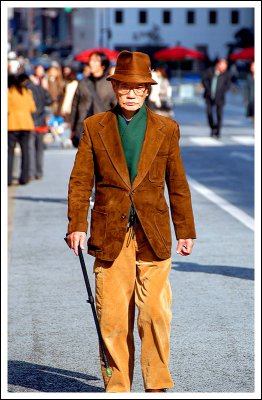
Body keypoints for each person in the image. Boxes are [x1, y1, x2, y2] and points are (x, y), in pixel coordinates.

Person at [65, 51, 196, 393]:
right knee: (111, 318)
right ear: (116, 87)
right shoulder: (95, 127)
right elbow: (80, 181)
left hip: (153, 234)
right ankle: (118, 386)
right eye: (125, 86)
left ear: (148, 90)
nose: (132, 93)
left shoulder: (166, 129)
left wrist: (186, 230)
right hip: (110, 235)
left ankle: (156, 385)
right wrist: (76, 224)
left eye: (139, 87)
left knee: (154, 313)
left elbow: (177, 183)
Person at [70, 52, 117, 147]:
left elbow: (116, 106)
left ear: (103, 65)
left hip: (103, 127)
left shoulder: (110, 84)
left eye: (96, 61)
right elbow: (75, 105)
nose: (91, 63)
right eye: (91, 60)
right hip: (84, 126)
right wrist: (73, 128)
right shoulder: (83, 82)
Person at [18, 73, 53, 181]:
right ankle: (39, 172)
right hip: (41, 121)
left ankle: (31, 172)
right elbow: (49, 101)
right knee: (40, 149)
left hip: (31, 121)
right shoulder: (40, 88)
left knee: (30, 148)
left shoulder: (25, 91)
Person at [8, 74, 36, 185]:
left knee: (10, 152)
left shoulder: (9, 92)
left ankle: (8, 178)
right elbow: (32, 108)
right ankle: (24, 177)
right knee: (25, 151)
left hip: (12, 123)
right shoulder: (27, 92)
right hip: (26, 123)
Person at [201, 58, 231, 138]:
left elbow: (228, 85)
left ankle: (218, 131)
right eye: (223, 65)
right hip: (209, 96)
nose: (224, 68)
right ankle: (212, 127)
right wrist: (208, 89)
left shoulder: (226, 74)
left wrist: (222, 91)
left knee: (219, 114)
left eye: (225, 66)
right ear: (218, 64)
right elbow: (204, 80)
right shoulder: (210, 71)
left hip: (220, 97)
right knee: (209, 113)